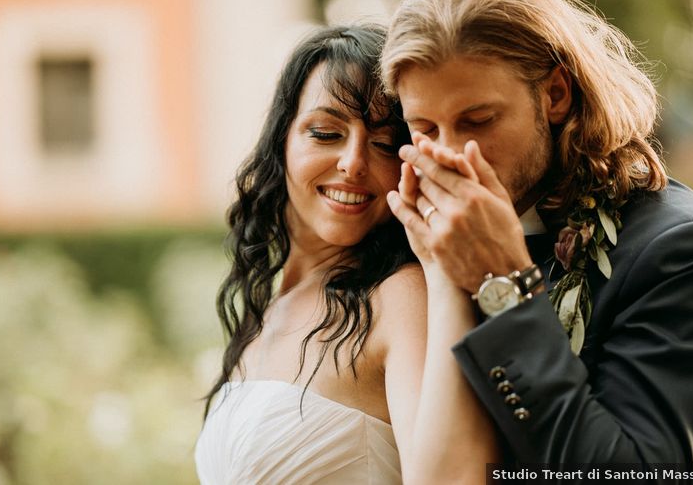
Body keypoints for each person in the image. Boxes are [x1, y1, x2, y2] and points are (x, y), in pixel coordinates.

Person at [382, 0, 693, 471]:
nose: (449, 154)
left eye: (478, 120)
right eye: (424, 129)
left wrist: (507, 286)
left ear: (555, 93)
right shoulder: (415, 244)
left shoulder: (683, 249)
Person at [195, 24, 498, 484]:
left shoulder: (399, 297)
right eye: (324, 132)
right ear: (282, 142)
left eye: (382, 144)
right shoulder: (270, 308)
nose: (353, 163)